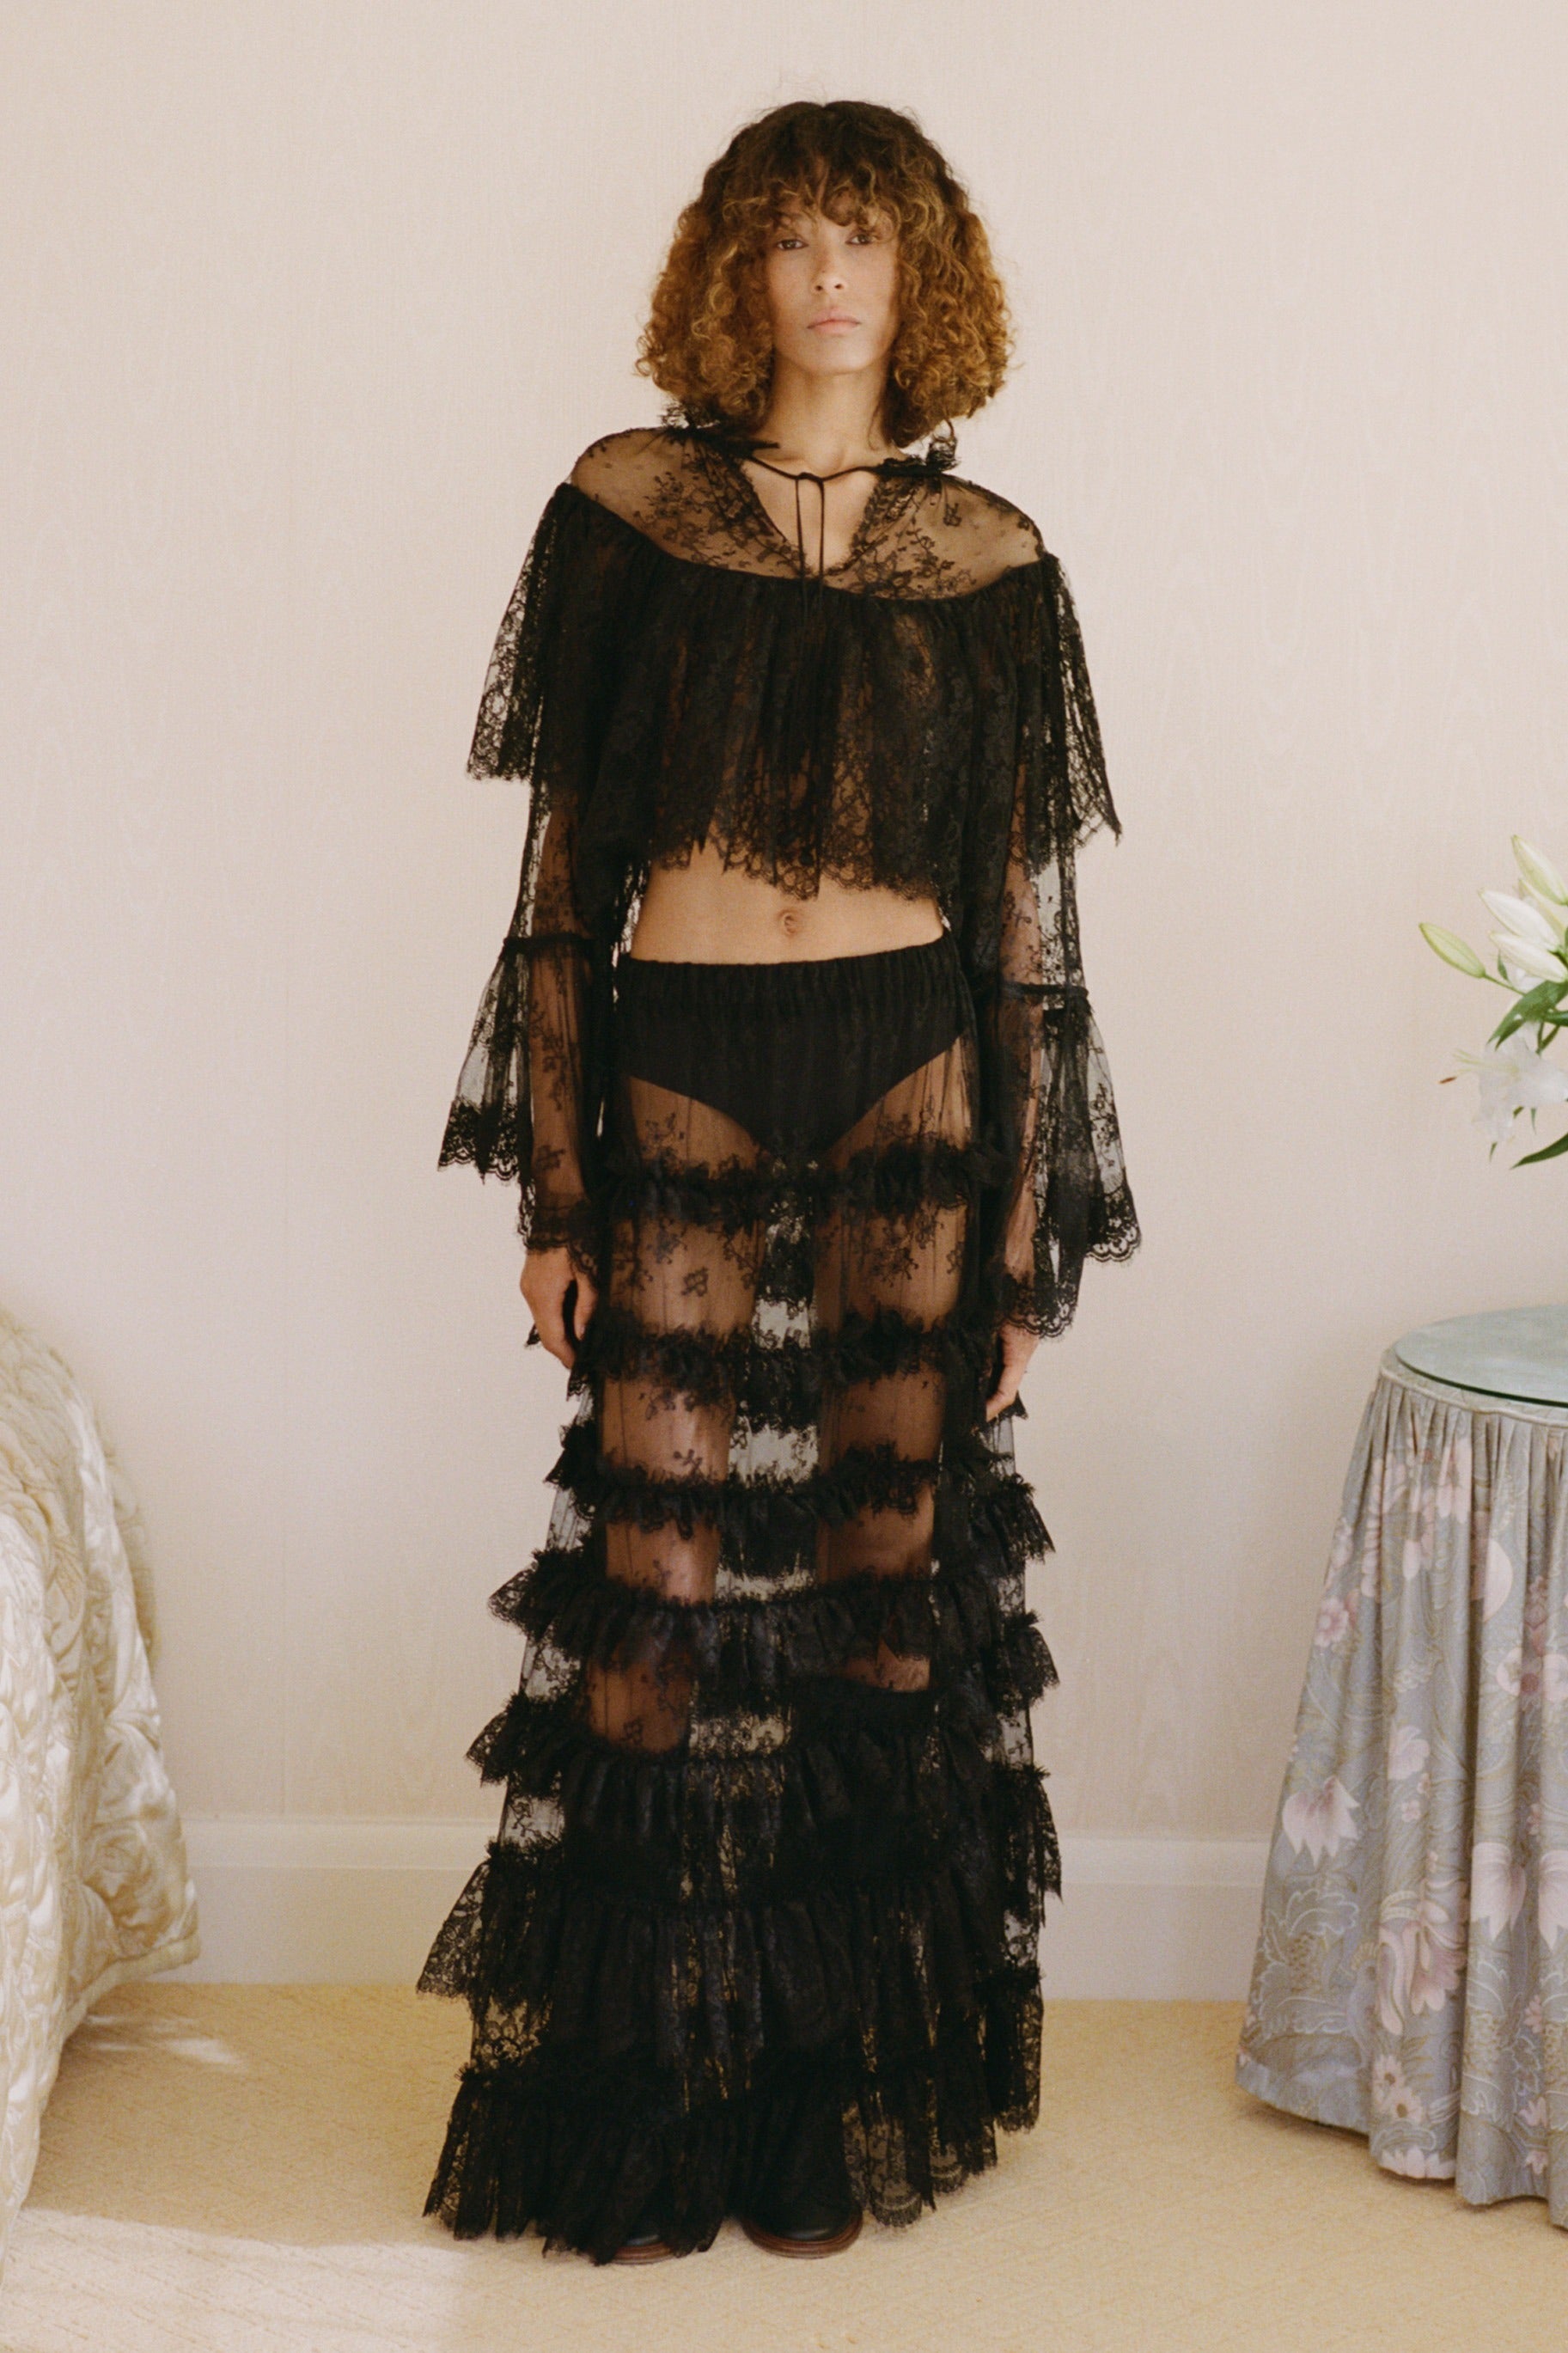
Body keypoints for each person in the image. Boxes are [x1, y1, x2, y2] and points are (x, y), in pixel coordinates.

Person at [418, 96, 1141, 2265]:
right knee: (654, 1572)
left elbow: (1023, 924)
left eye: (869, 239)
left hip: (915, 1065)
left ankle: (830, 2093)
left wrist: (1023, 1234)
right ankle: (644, 2100)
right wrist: (555, 1195)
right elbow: (563, 873)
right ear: (734, 269)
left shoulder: (994, 559)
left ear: (925, 277)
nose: (832, 278)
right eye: (794, 237)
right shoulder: (624, 512)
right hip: (688, 1065)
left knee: (877, 1582)